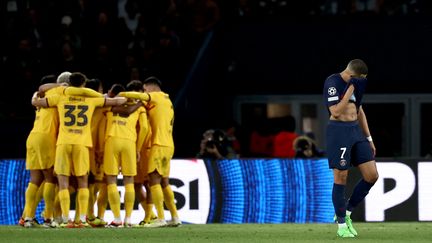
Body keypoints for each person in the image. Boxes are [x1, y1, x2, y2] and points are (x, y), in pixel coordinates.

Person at [31, 72, 127, 228]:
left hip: (63, 143)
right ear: (83, 85)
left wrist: (35, 96)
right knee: (83, 182)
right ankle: (81, 219)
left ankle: (65, 219)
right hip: (82, 144)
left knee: (63, 183)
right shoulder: (91, 99)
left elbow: (37, 102)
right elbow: (119, 100)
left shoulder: (61, 97)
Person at [323, 59, 378, 238]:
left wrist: (368, 138)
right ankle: (341, 226)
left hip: (356, 131)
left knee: (372, 175)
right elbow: (336, 112)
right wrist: (350, 89)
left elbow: (359, 110)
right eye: (360, 79)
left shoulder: (357, 85)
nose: (362, 82)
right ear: (354, 75)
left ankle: (346, 212)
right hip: (339, 132)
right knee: (341, 177)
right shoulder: (333, 82)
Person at [118, 76, 181, 227]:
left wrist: (121, 94)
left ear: (150, 88)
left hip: (158, 144)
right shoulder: (167, 100)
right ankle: (175, 217)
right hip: (168, 145)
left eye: (145, 89)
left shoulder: (156, 96)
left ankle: (160, 218)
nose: (145, 92)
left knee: (153, 180)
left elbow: (139, 96)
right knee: (164, 181)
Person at [104, 80, 148, 227]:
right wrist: (138, 148)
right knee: (129, 181)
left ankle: (117, 219)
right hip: (129, 142)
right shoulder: (140, 107)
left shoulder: (114, 102)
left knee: (111, 180)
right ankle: (128, 219)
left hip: (112, 140)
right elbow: (145, 129)